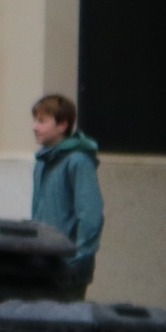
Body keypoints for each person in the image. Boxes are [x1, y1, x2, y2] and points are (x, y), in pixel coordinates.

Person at [29, 93, 103, 295]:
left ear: (62, 125)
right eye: (35, 121)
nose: (35, 127)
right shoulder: (42, 163)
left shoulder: (78, 162)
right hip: (43, 266)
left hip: (67, 271)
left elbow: (90, 217)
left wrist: (76, 259)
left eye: (42, 121)